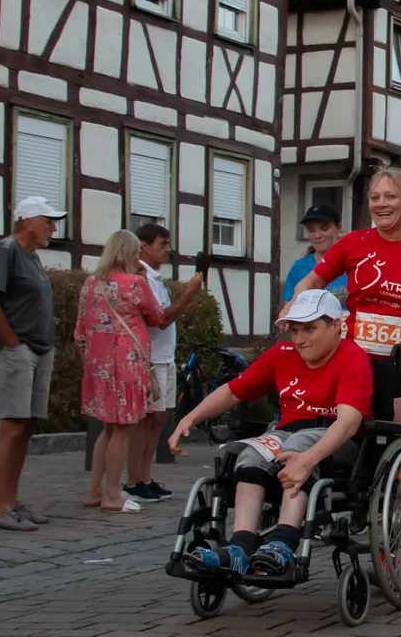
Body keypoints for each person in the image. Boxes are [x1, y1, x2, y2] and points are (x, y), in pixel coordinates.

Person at [172, 289, 372, 577]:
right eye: (294, 330)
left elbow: (349, 423)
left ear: (336, 326)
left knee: (298, 445)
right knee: (252, 452)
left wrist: (308, 458)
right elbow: (233, 392)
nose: (300, 339)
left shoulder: (353, 358)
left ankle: (283, 545)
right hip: (287, 432)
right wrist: (190, 417)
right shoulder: (282, 355)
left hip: (338, 440)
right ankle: (240, 548)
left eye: (310, 329)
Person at [296, 167, 401, 430]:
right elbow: (312, 280)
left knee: (393, 444)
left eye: (391, 197)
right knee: (346, 437)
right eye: (375, 197)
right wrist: (295, 304)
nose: (381, 204)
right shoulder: (353, 243)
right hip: (354, 358)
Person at [0, 197, 64, 531]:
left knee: (27, 426)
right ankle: (1, 507)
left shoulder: (33, 256)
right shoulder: (7, 250)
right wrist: (12, 340)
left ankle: (13, 502)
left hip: (40, 349)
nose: (53, 228)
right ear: (28, 221)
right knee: (11, 426)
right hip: (17, 350)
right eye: (48, 221)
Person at [75, 230, 166, 513]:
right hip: (128, 364)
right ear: (130, 253)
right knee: (123, 430)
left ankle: (93, 492)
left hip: (98, 366)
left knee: (107, 428)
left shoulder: (90, 284)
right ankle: (112, 495)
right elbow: (158, 317)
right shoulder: (136, 284)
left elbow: (79, 331)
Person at [127, 223, 205, 504]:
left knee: (158, 419)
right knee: (144, 420)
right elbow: (161, 317)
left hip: (164, 357)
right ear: (144, 246)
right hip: (148, 359)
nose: (167, 250)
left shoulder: (155, 277)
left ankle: (145, 478)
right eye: (162, 244)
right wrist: (189, 293)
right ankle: (133, 479)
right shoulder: (139, 276)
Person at [279, 204, 347, 303]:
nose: (317, 235)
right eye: (311, 230)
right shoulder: (299, 267)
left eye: (324, 228)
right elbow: (288, 308)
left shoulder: (353, 265)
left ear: (339, 227)